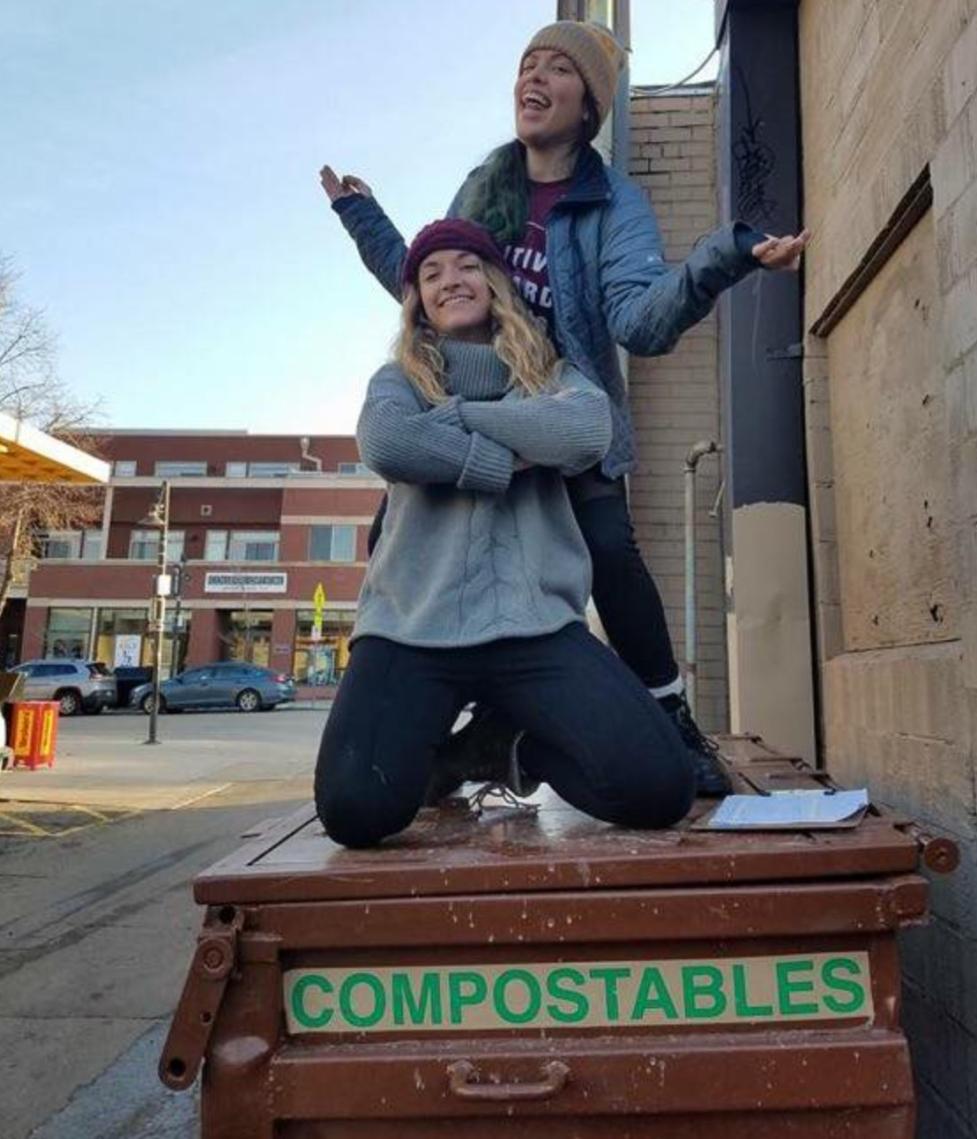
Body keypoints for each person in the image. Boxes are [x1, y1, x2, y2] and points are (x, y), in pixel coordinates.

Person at [320, 20, 808, 795]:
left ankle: (667, 720)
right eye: (525, 65)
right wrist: (364, 219)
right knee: (399, 533)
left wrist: (723, 257)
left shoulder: (610, 200)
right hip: (472, 389)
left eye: (556, 68)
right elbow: (431, 275)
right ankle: (435, 719)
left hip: (555, 402)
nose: (532, 79)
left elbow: (640, 322)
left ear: (588, 104)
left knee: (609, 550)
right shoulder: (487, 182)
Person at [315, 219, 695, 848]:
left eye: (465, 265)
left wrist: (458, 419)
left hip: (535, 625)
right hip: (411, 626)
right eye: (431, 274)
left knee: (658, 788)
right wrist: (506, 457)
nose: (449, 281)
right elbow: (389, 441)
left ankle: (512, 745)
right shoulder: (399, 381)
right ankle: (440, 743)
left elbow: (584, 433)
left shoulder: (551, 374)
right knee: (356, 808)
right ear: (418, 301)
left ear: (493, 281)